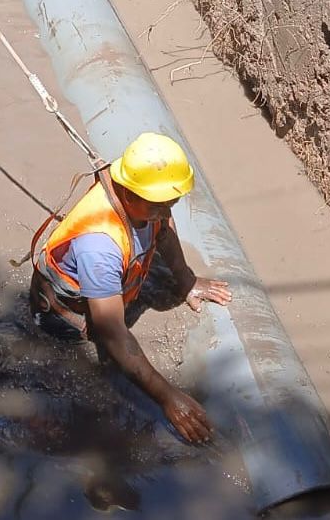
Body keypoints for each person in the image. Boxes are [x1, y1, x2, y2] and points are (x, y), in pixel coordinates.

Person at [30, 132, 232, 444]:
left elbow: (163, 227)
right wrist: (167, 397)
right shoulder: (100, 247)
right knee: (90, 398)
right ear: (128, 193)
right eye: (159, 205)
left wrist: (187, 281)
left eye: (172, 202)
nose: (166, 212)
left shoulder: (147, 198)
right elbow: (112, 332)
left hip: (104, 291)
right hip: (66, 320)